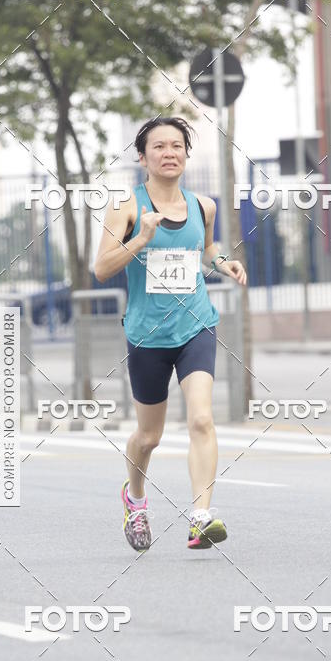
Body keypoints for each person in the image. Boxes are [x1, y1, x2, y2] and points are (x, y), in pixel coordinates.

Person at [94, 116, 247, 551]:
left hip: (196, 324)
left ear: (186, 154)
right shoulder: (126, 206)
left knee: (201, 417)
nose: (169, 153)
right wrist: (140, 238)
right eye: (158, 147)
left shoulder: (204, 207)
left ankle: (200, 516)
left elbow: (206, 250)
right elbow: (101, 268)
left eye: (177, 146)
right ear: (142, 158)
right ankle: (135, 498)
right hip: (147, 335)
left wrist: (224, 264)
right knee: (150, 436)